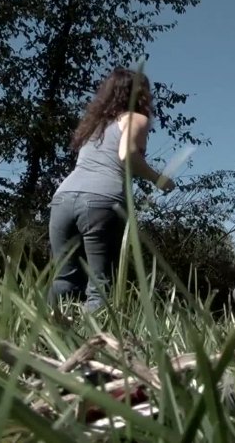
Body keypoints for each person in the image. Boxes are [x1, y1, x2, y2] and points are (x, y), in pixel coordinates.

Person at [47, 67, 175, 313]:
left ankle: (40, 339)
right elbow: (127, 156)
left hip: (62, 200)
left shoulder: (93, 127)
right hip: (102, 202)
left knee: (64, 280)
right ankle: (96, 345)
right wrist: (158, 179)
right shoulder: (136, 118)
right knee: (101, 287)